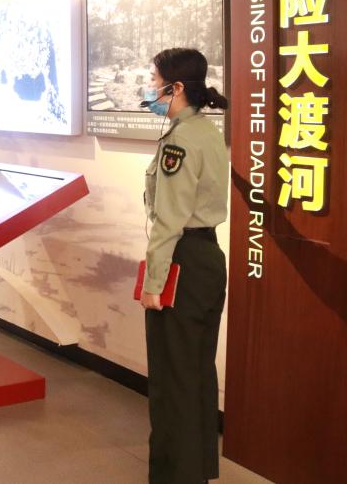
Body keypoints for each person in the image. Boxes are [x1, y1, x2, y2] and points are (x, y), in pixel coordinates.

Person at [138, 47, 229, 484]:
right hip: (208, 258)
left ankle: (174, 476)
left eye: (154, 81)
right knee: (196, 372)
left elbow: (169, 220)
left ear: (175, 88)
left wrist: (153, 282)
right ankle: (195, 471)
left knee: (172, 378)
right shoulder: (206, 130)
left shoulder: (179, 140)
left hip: (182, 262)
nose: (149, 88)